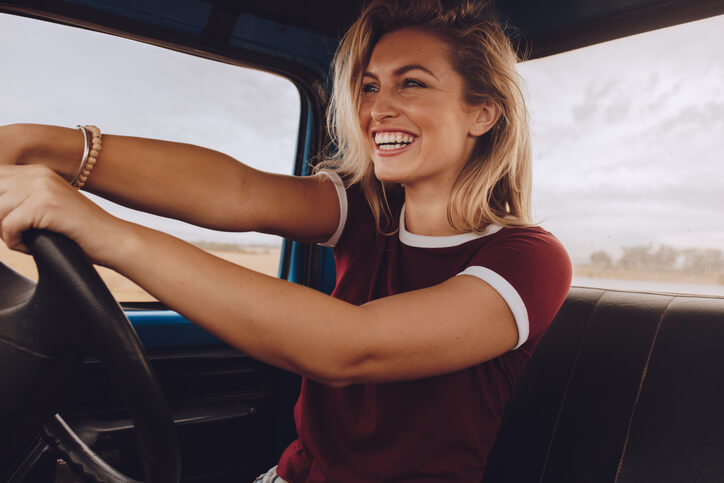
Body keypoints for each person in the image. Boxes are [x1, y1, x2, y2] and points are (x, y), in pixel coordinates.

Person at [0, 0, 571, 481]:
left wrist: (99, 230)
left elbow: (351, 347)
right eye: (369, 87)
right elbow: (238, 192)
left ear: (483, 113)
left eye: (412, 83)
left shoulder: (528, 260)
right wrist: (45, 146)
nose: (376, 109)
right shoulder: (367, 209)